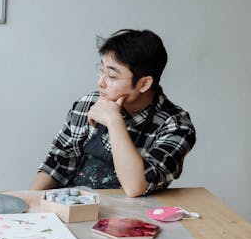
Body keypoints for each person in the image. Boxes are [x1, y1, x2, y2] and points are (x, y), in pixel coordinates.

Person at [31, 29, 196, 197]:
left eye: (111, 75)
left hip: (136, 216)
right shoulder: (88, 103)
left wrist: (115, 122)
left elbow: (136, 186)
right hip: (75, 207)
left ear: (144, 83)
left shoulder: (176, 126)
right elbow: (57, 163)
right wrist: (29, 203)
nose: (100, 83)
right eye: (101, 71)